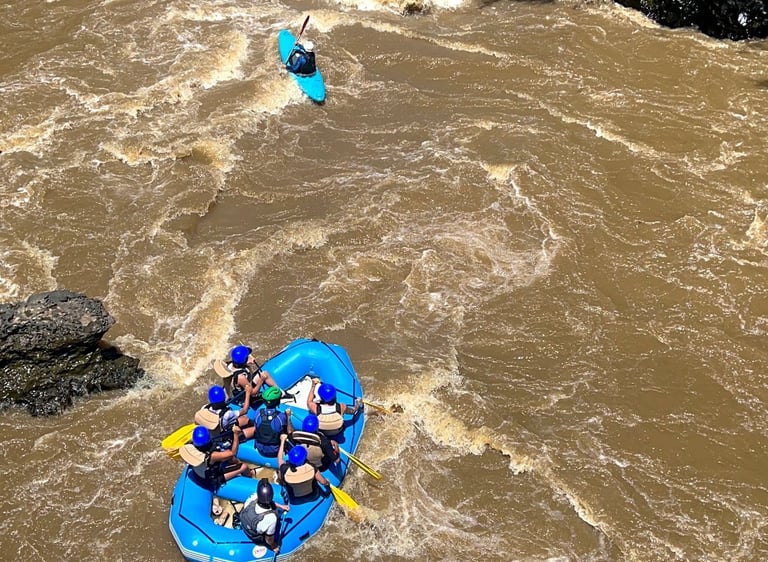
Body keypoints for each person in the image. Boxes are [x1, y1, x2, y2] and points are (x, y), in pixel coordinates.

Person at [179, 425, 252, 489]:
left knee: (230, 459)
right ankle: (250, 476)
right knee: (244, 467)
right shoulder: (213, 455)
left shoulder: (192, 447)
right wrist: (236, 434)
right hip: (211, 480)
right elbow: (232, 453)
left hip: (199, 473)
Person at [238, 478, 290, 554]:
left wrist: (281, 507)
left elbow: (267, 501)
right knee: (270, 535)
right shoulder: (271, 519)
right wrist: (273, 546)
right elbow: (269, 539)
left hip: (246, 524)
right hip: (255, 535)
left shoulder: (254, 497)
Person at [214, 344, 280, 403]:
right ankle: (280, 393)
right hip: (244, 397)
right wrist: (261, 380)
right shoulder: (241, 377)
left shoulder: (229, 365)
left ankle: (279, 390)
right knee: (264, 375)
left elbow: (240, 365)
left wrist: (247, 363)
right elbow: (253, 392)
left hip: (238, 388)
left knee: (265, 373)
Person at [277, 434, 330, 499]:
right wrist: (327, 482)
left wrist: (282, 441)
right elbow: (323, 482)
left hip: (294, 498)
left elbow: (280, 458)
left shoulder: (284, 469)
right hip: (313, 494)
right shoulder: (311, 467)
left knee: (279, 474)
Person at [252, 386, 291, 457]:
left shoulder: (257, 413)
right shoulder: (281, 416)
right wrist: (288, 417)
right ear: (278, 401)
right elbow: (290, 432)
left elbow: (255, 428)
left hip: (260, 449)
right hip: (275, 451)